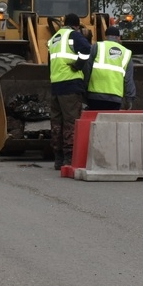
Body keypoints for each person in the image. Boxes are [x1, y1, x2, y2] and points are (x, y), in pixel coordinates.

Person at [47, 13, 91, 170]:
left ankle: (58, 159)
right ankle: (68, 158)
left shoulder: (54, 39)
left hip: (56, 86)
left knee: (56, 123)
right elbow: (87, 49)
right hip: (70, 85)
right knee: (71, 123)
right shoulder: (73, 35)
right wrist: (78, 66)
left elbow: (49, 63)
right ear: (76, 26)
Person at [85, 26, 137, 110]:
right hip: (115, 98)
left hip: (95, 96)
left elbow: (87, 69)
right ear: (119, 38)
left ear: (105, 37)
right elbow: (129, 79)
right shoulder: (126, 53)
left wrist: (84, 90)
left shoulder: (97, 46)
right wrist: (129, 99)